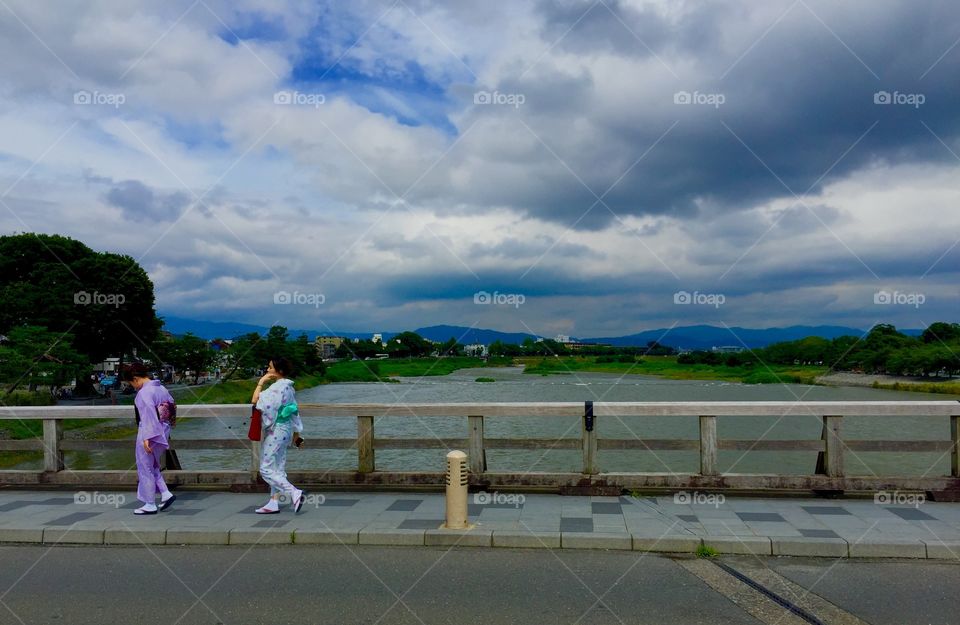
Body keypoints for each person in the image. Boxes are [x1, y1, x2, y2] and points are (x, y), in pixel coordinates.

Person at [252, 357, 306, 514]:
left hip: (276, 431)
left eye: (270, 367)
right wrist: (297, 433)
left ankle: (294, 492)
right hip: (286, 429)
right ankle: (273, 502)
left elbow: (256, 400)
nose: (268, 370)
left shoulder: (276, 388)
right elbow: (294, 411)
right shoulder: (288, 387)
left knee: (266, 468)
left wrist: (261, 382)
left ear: (279, 371)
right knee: (277, 467)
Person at [124, 363, 177, 515]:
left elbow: (148, 416)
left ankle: (149, 502)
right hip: (163, 428)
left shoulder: (144, 393)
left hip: (149, 431)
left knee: (144, 466)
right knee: (153, 464)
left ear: (135, 379)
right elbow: (171, 408)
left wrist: (148, 436)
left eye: (131, 383)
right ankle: (165, 493)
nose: (133, 386)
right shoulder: (162, 388)